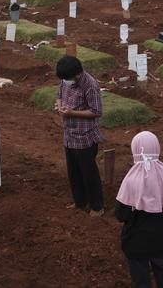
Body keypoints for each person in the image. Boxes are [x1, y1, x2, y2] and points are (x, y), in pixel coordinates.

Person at [115, 131, 163, 288]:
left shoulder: (131, 180)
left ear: (135, 150)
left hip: (135, 244)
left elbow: (120, 215)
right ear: (157, 148)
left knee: (141, 281)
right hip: (162, 241)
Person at [54, 55, 105, 217]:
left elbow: (96, 112)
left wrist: (71, 112)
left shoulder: (90, 85)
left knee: (89, 173)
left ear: (77, 74)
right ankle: (80, 202)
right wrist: (60, 105)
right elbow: (60, 93)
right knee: (73, 172)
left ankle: (97, 207)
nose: (65, 82)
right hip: (69, 135)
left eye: (67, 79)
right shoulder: (65, 79)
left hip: (85, 137)